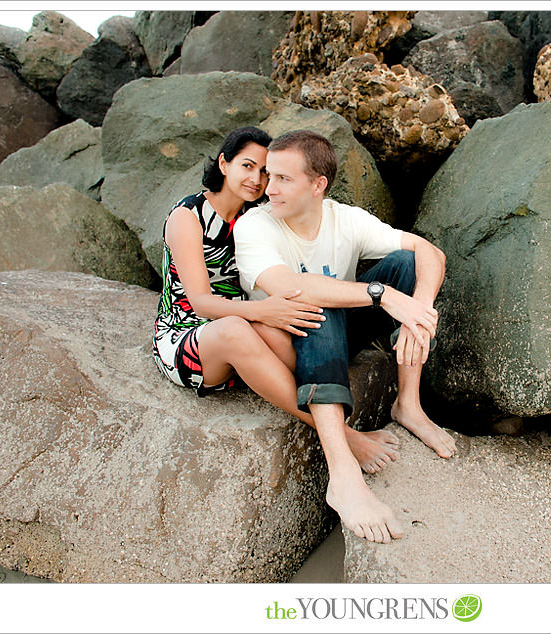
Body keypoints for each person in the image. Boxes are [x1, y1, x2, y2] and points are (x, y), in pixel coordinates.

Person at [234, 130, 457, 544]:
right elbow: (289, 287)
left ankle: (408, 404)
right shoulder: (254, 226)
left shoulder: (344, 218)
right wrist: (383, 296)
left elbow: (430, 253)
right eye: (269, 175)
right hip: (292, 337)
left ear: (318, 185)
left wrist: (417, 311)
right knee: (314, 301)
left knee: (406, 264)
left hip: (342, 331)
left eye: (283, 178)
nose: (268, 188)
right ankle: (343, 476)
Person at [152, 126, 402, 473]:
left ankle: (324, 391)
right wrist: (264, 310)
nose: (257, 179)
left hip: (248, 320)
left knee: (290, 327)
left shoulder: (257, 217)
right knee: (236, 331)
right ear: (224, 164)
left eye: (265, 171)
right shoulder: (188, 216)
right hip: (191, 332)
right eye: (247, 166)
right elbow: (200, 302)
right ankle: (344, 436)